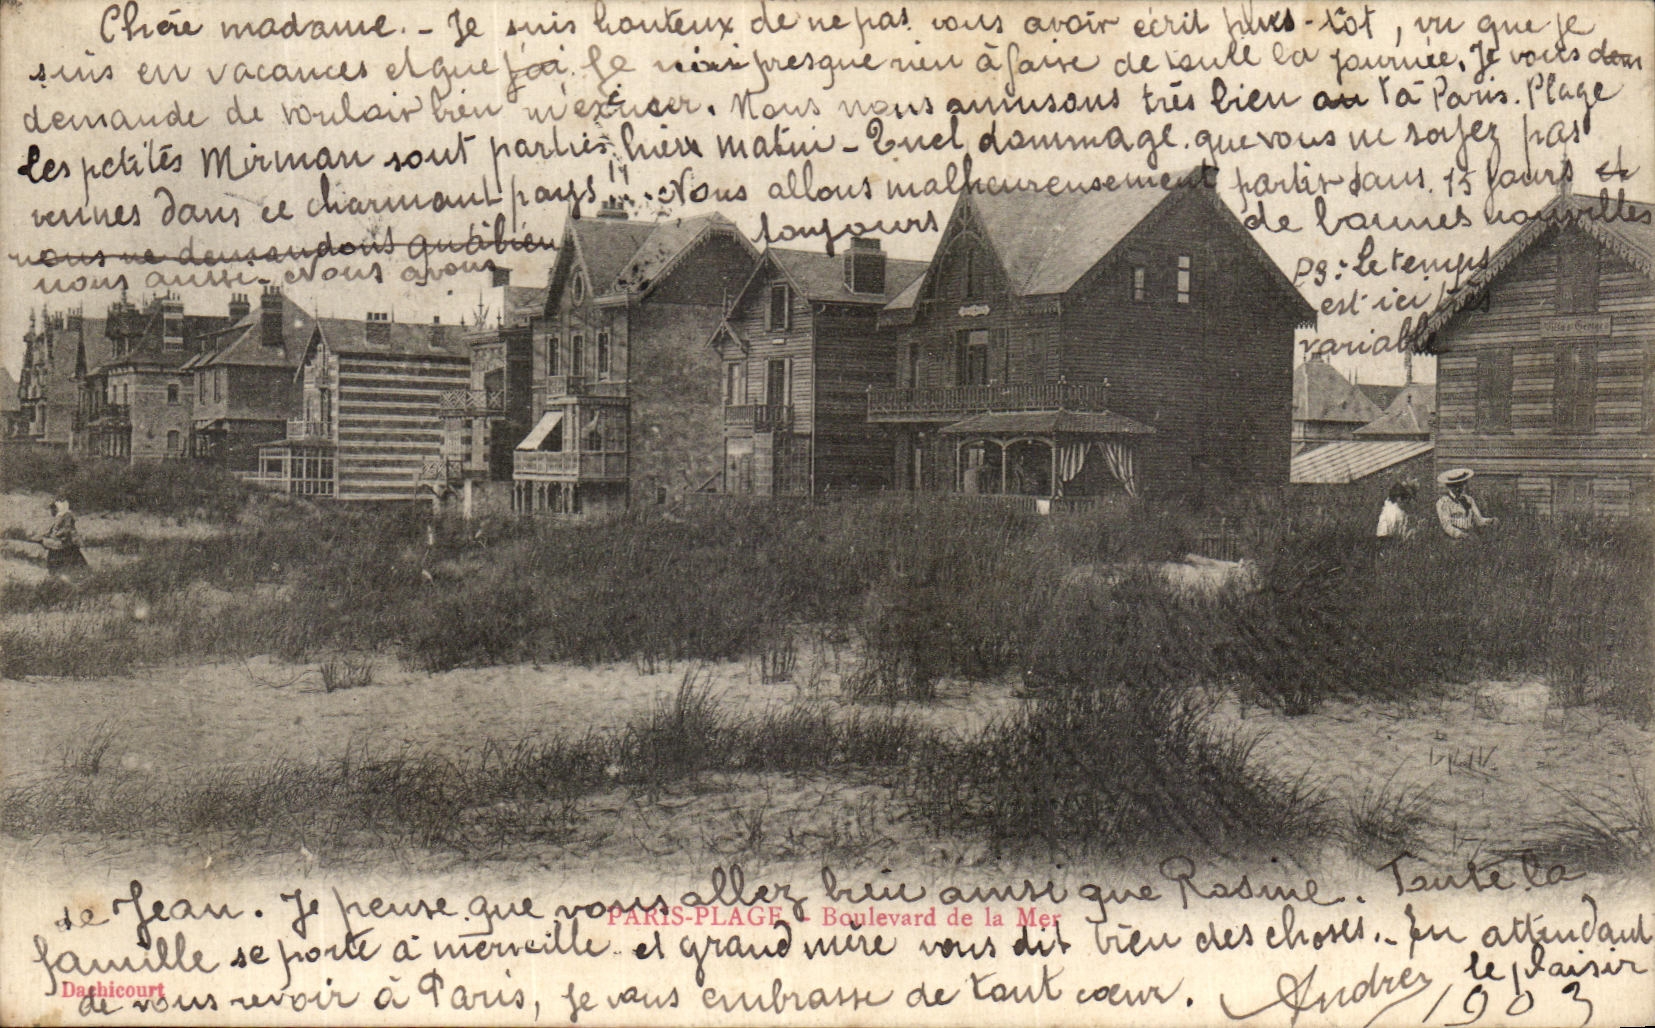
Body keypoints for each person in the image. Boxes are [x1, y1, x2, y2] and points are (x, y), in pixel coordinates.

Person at [1436, 468, 1498, 539]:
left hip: (1469, 536)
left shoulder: (1468, 499)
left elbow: (1478, 520)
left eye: (1460, 485)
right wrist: (1461, 535)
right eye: (1455, 486)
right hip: (1452, 539)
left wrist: (1490, 520)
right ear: (1449, 486)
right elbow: (1446, 526)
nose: (1458, 488)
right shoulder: (1443, 502)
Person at [38, 497, 90, 578]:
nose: (51, 511)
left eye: (52, 509)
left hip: (63, 546)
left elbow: (65, 530)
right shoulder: (64, 515)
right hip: (65, 545)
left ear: (56, 508)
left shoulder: (63, 516)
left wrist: (53, 537)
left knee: (60, 567)